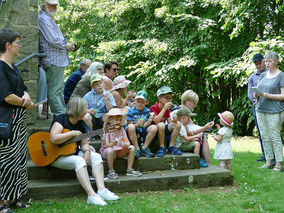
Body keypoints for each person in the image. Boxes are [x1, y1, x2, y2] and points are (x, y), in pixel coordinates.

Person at [49, 97, 119, 206]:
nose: (86, 111)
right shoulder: (61, 119)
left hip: (72, 153)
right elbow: (53, 138)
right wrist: (72, 133)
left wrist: (87, 152)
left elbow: (84, 142)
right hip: (55, 156)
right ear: (77, 110)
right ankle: (91, 196)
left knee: (96, 156)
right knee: (79, 161)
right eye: (84, 109)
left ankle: (102, 190)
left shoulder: (81, 123)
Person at [0, 28, 35, 213]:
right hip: (7, 120)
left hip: (19, 120)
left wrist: (26, 96)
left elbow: (23, 88)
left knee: (19, 159)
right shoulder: (0, 66)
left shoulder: (13, 66)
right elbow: (6, 96)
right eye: (17, 43)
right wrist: (25, 102)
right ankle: (1, 202)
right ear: (8, 45)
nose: (19, 45)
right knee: (5, 160)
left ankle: (13, 197)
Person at [38, 0, 75, 117]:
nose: (54, 7)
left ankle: (62, 115)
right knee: (54, 90)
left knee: (58, 89)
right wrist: (66, 45)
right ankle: (60, 116)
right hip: (53, 60)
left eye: (55, 5)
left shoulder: (48, 19)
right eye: (51, 5)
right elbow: (53, 40)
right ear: (44, 7)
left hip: (56, 60)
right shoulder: (43, 19)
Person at [255, 52, 284, 172]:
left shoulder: (281, 75)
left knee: (275, 137)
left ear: (276, 62)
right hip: (260, 109)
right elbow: (258, 90)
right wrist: (256, 95)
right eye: (266, 61)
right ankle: (268, 162)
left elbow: (283, 96)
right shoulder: (263, 75)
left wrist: (268, 95)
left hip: (275, 111)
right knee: (264, 136)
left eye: (270, 61)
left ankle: (278, 164)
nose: (267, 64)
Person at [171, 90, 213, 164]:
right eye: (194, 102)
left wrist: (205, 127)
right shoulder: (180, 113)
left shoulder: (184, 112)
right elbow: (188, 132)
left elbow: (193, 126)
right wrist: (204, 129)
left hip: (181, 139)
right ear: (186, 101)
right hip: (179, 142)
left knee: (202, 135)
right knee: (203, 137)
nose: (195, 105)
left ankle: (204, 161)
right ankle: (207, 163)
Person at [100, 108, 142, 179]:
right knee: (111, 150)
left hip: (118, 151)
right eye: (116, 120)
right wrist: (112, 144)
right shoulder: (108, 130)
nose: (118, 122)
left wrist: (126, 143)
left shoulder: (121, 130)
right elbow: (106, 145)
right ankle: (111, 171)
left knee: (132, 148)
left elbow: (124, 140)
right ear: (110, 120)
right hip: (108, 152)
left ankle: (129, 169)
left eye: (120, 120)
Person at [150, 86, 181, 157]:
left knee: (177, 124)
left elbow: (170, 122)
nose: (169, 100)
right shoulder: (154, 107)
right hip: (154, 131)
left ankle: (171, 146)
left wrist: (175, 120)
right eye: (167, 98)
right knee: (161, 124)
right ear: (160, 98)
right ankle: (162, 147)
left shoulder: (166, 109)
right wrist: (164, 109)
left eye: (170, 98)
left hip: (163, 130)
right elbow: (156, 121)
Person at [248, 53, 267, 162]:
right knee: (260, 131)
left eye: (260, 63)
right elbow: (250, 93)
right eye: (256, 64)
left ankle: (273, 155)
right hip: (257, 106)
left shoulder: (270, 74)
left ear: (264, 61)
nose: (258, 66)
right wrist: (255, 101)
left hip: (270, 106)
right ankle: (265, 154)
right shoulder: (252, 76)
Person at [126, 90, 157, 158]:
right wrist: (137, 125)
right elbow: (130, 126)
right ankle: (137, 149)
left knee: (154, 127)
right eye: (138, 101)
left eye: (142, 102)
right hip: (133, 132)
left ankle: (144, 148)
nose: (140, 104)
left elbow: (144, 126)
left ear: (146, 102)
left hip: (143, 131)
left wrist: (149, 121)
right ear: (135, 101)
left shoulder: (147, 111)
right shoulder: (131, 111)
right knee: (131, 126)